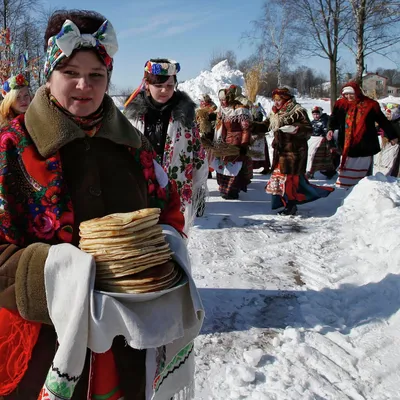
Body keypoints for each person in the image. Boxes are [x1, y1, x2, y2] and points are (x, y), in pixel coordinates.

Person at [0, 10, 203, 400]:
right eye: (70, 72)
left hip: (127, 342)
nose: (83, 85)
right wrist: (56, 277)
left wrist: (156, 249)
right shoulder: (12, 149)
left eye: (97, 75)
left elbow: (170, 211)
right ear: (49, 74)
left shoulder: (134, 148)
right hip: (41, 349)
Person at [124, 59, 208, 235]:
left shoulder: (184, 118)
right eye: (159, 85)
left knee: (173, 243)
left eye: (170, 86)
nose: (164, 90)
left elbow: (197, 154)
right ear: (147, 85)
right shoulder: (132, 117)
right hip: (140, 191)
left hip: (175, 192)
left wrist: (197, 186)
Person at [265, 88, 334, 215]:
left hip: (294, 152)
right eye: (274, 100)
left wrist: (295, 129)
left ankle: (290, 205)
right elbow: (265, 125)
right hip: (281, 153)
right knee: (280, 180)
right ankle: (286, 203)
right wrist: (251, 125)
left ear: (285, 99)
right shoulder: (275, 113)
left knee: (289, 181)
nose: (276, 103)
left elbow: (308, 129)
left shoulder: (297, 111)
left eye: (278, 100)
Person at [327, 82, 398, 188]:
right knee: (346, 171)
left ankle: (363, 191)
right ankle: (344, 192)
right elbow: (333, 118)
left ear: (357, 92)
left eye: (351, 93)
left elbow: (383, 121)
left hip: (365, 144)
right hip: (347, 144)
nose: (348, 96)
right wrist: (330, 129)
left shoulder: (370, 104)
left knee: (364, 177)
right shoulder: (341, 104)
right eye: (346, 94)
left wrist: (392, 136)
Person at [212, 85, 253, 200]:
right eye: (220, 100)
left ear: (230, 98)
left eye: (224, 99)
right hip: (224, 142)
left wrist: (244, 144)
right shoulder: (223, 109)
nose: (222, 102)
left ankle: (233, 190)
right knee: (222, 166)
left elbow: (246, 129)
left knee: (234, 166)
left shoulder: (240, 109)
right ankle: (224, 189)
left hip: (236, 142)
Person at [306, 106, 337, 179]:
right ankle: (310, 171)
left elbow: (327, 132)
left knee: (314, 156)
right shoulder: (312, 122)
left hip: (321, 142)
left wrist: (330, 143)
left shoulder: (324, 121)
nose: (315, 116)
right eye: (314, 114)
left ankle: (326, 172)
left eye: (317, 114)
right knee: (310, 156)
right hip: (312, 141)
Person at [373, 102, 400, 176]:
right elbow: (377, 129)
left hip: (394, 145)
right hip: (385, 143)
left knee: (391, 163)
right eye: (387, 114)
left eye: (389, 114)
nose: (387, 116)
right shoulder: (386, 122)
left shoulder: (397, 123)